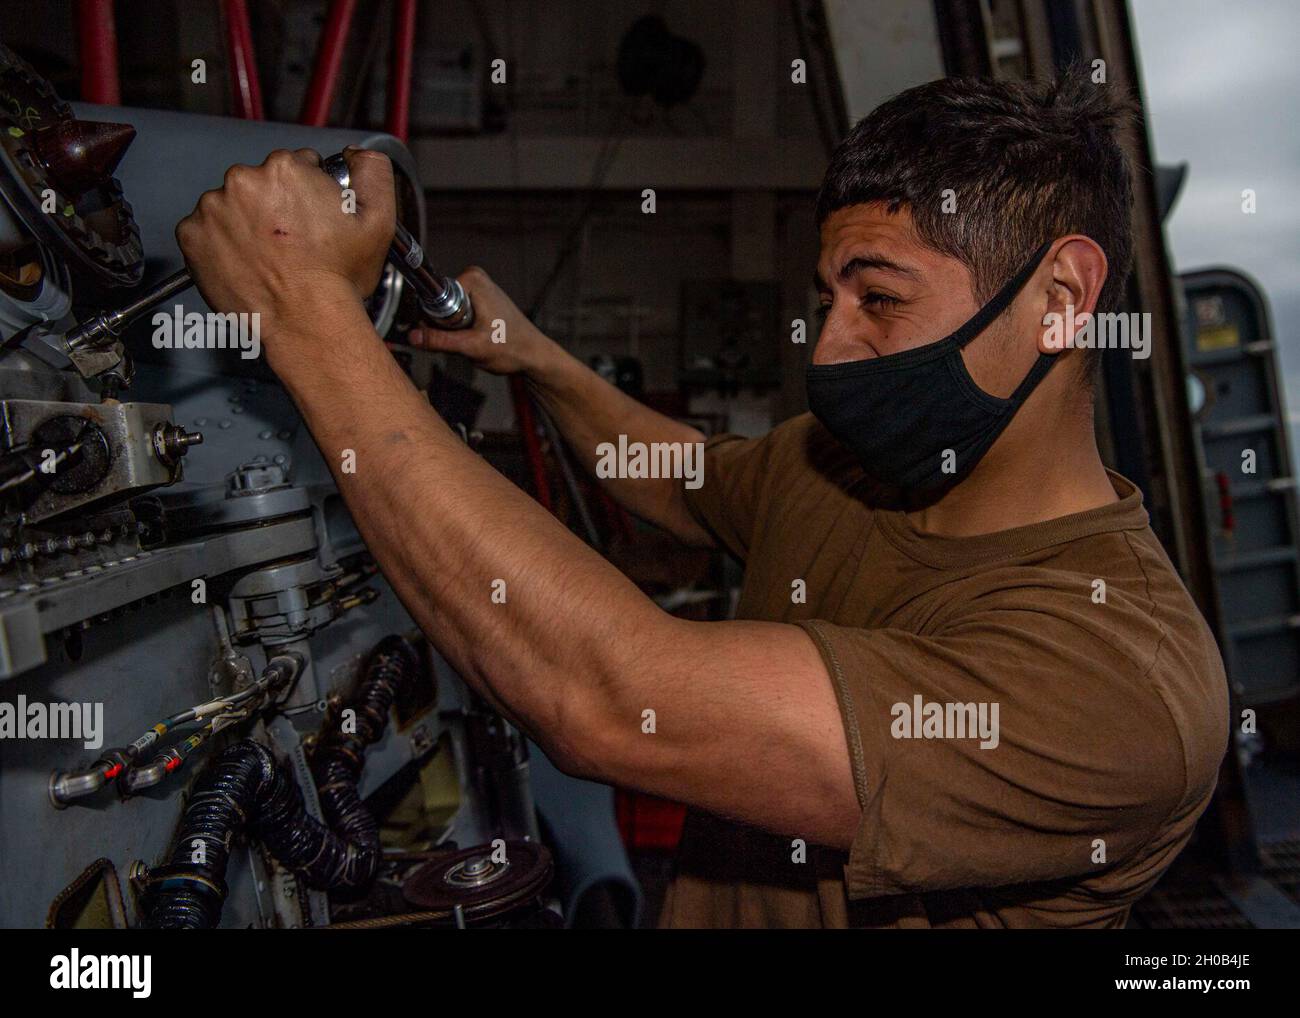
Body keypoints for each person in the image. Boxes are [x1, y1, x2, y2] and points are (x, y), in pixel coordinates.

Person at [177, 71, 1228, 928]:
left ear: (1058, 301)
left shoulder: (1119, 683)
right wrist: (533, 359)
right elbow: (682, 477)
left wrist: (304, 314)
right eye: (830, 299)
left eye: (880, 297)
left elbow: (608, 698)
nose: (832, 344)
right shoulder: (855, 464)